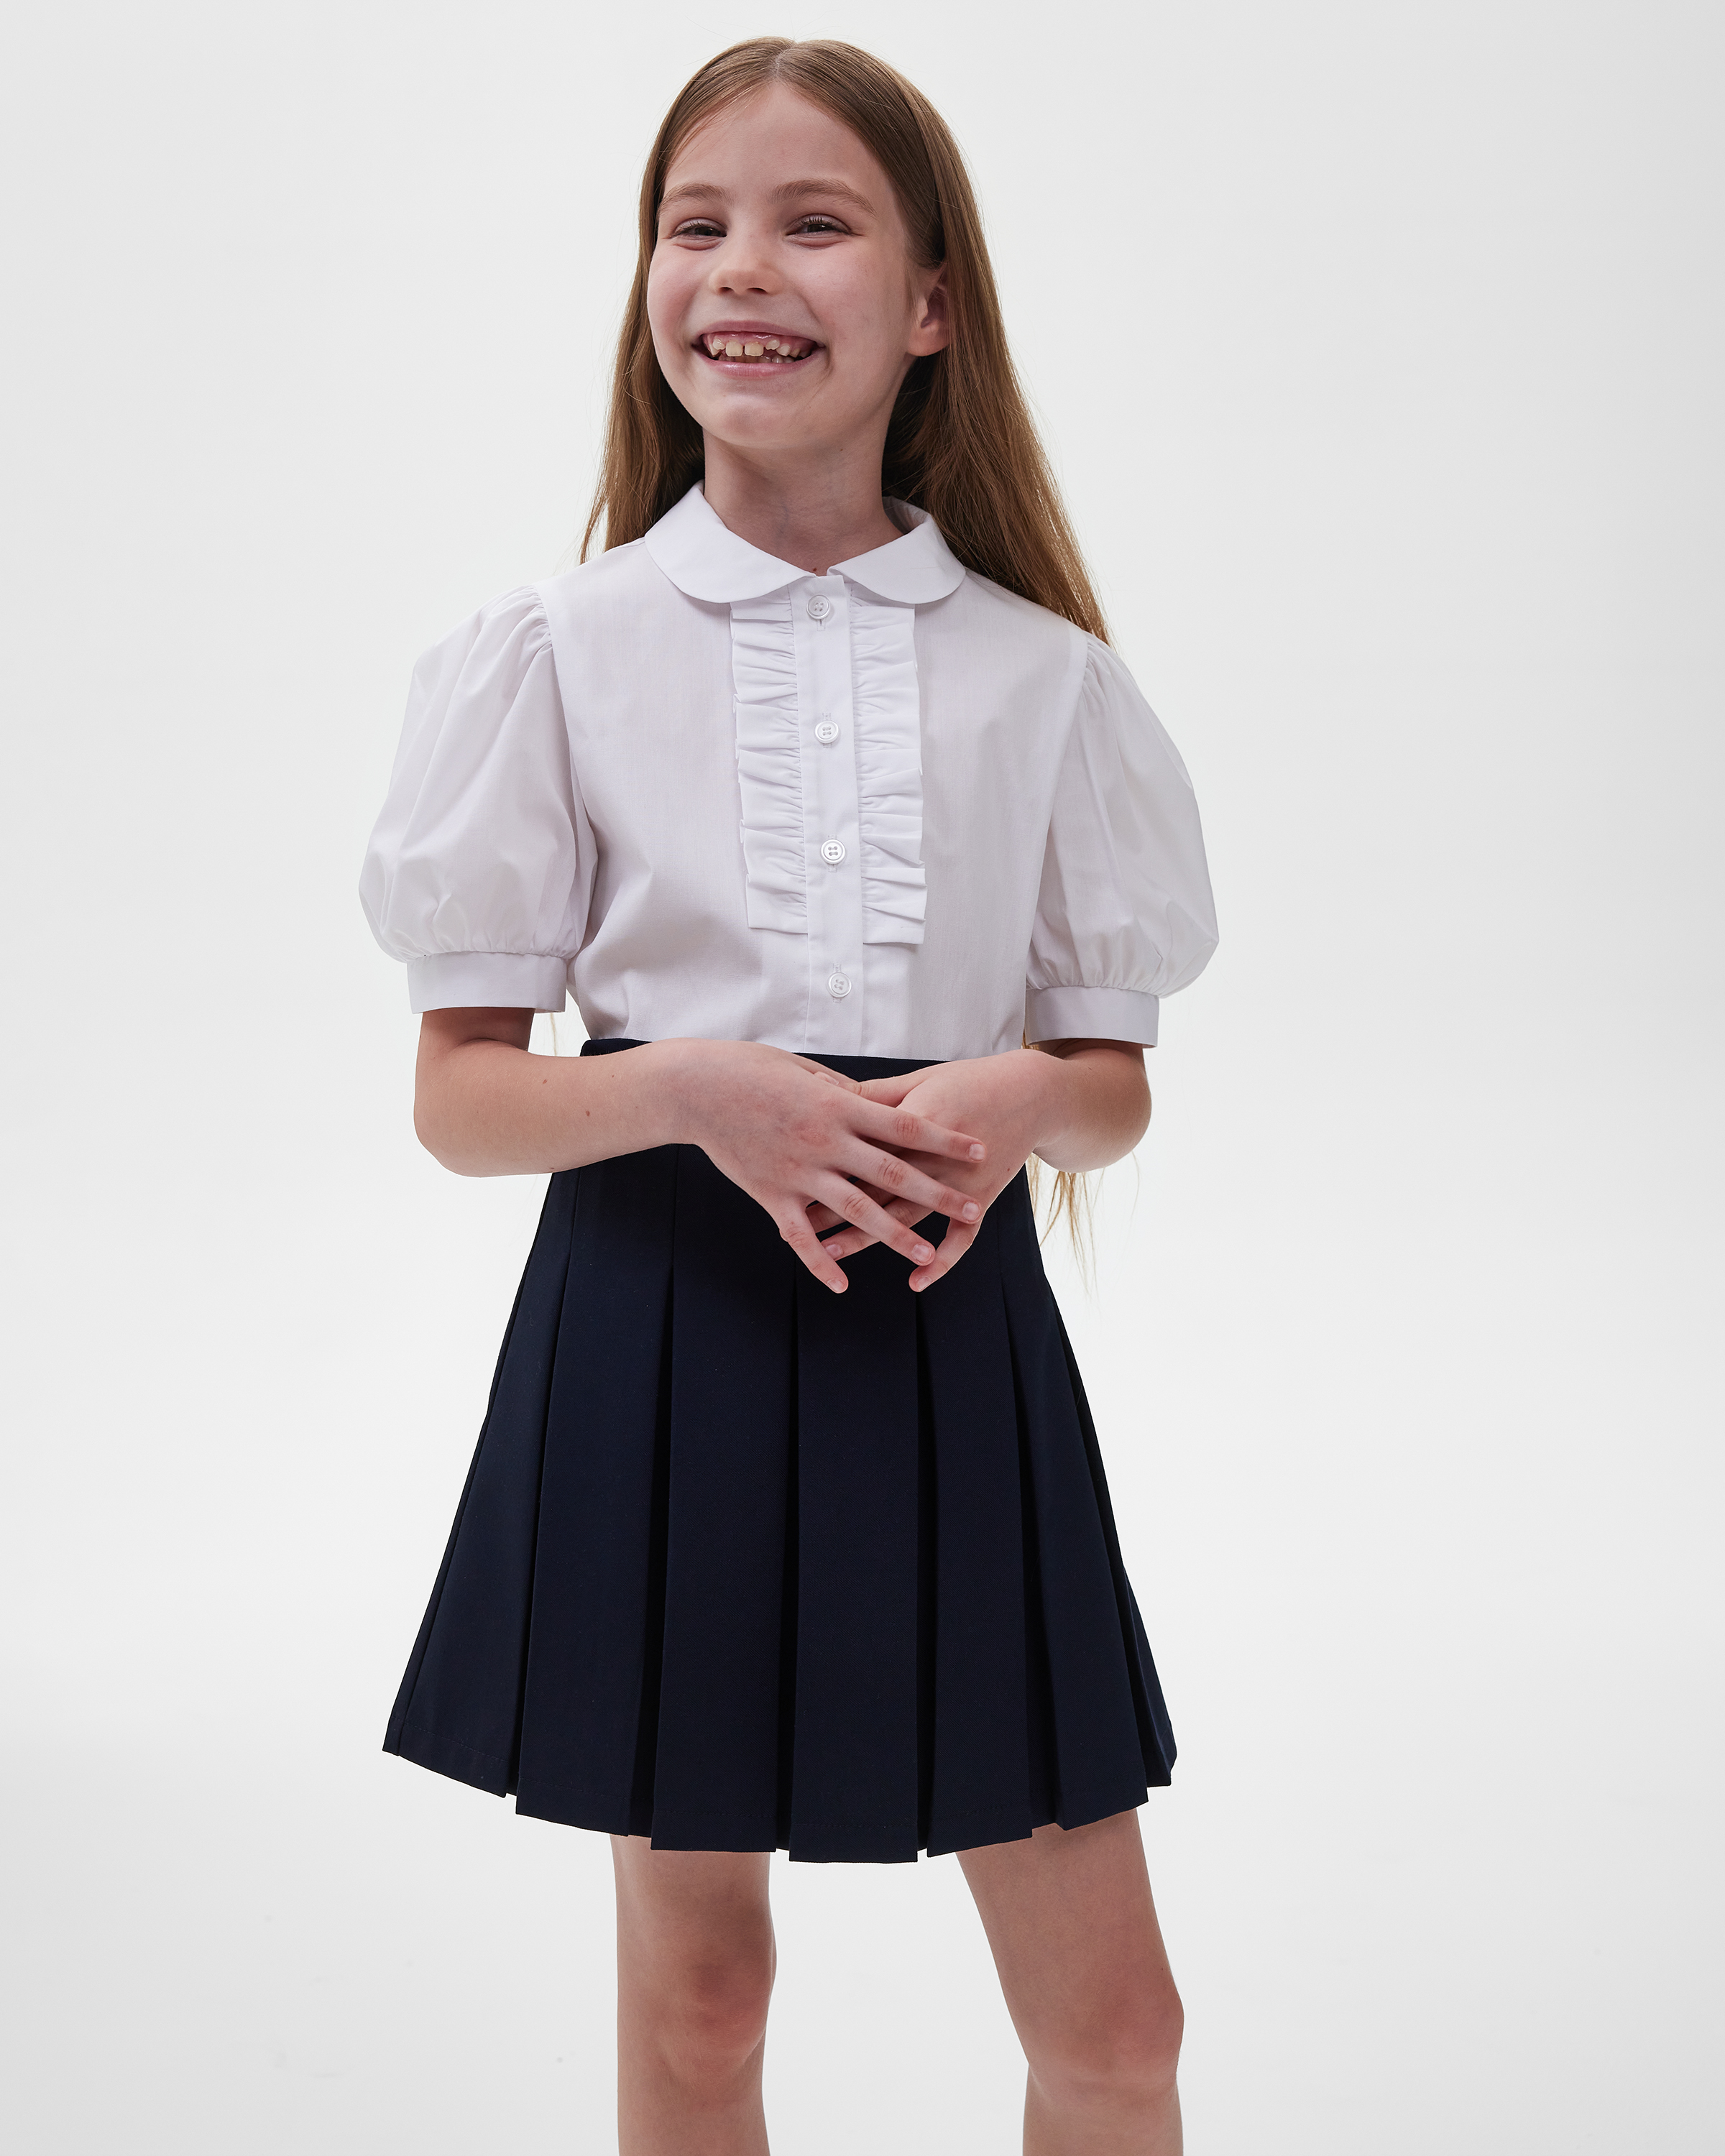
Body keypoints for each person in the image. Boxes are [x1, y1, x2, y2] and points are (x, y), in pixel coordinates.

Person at [360, 35, 1217, 2155]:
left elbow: (1112, 1091)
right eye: (697, 224)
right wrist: (702, 1094)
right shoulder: (555, 650)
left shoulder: (1046, 676)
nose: (741, 268)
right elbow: (461, 1104)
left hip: (950, 1326)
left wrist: (1020, 1097)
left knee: (1118, 2028)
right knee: (703, 2004)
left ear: (932, 306)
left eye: (812, 224)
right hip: (661, 1324)